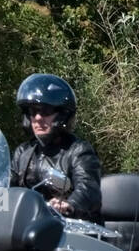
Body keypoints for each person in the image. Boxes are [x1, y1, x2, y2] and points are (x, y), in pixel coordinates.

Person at [9, 74, 102, 222]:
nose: (38, 118)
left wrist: (69, 205)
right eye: (33, 111)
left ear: (62, 115)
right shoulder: (23, 152)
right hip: (28, 227)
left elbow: (88, 189)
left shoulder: (78, 150)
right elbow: (6, 186)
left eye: (45, 111)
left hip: (73, 229)